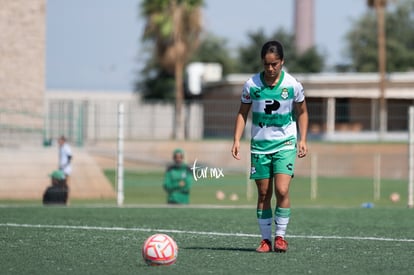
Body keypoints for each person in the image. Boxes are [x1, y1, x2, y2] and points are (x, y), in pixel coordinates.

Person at [231, 40, 308, 253]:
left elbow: (302, 112)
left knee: (282, 189)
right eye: (267, 64)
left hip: (285, 144)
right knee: (264, 193)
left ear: (282, 62)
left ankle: (280, 237)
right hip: (260, 147)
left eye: (275, 64)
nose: (271, 69)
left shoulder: (292, 85)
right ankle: (265, 240)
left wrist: (302, 139)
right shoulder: (251, 85)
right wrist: (237, 139)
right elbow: (242, 113)